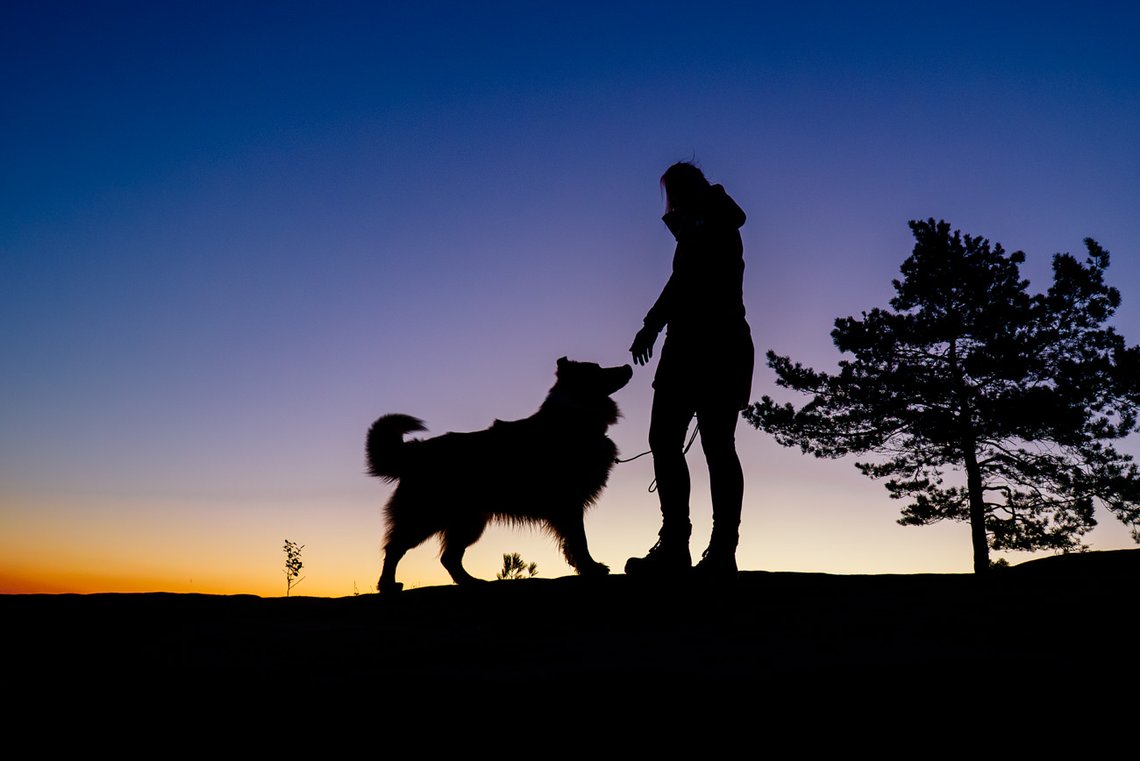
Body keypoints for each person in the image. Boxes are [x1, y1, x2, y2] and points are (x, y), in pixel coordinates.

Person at [625, 162, 754, 580]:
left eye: (674, 193)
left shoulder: (711, 224)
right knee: (666, 441)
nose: (670, 204)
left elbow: (685, 285)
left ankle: (719, 550)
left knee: (716, 447)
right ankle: (678, 545)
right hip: (687, 350)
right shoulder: (700, 225)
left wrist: (650, 325)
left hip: (715, 349)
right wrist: (652, 325)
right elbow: (679, 281)